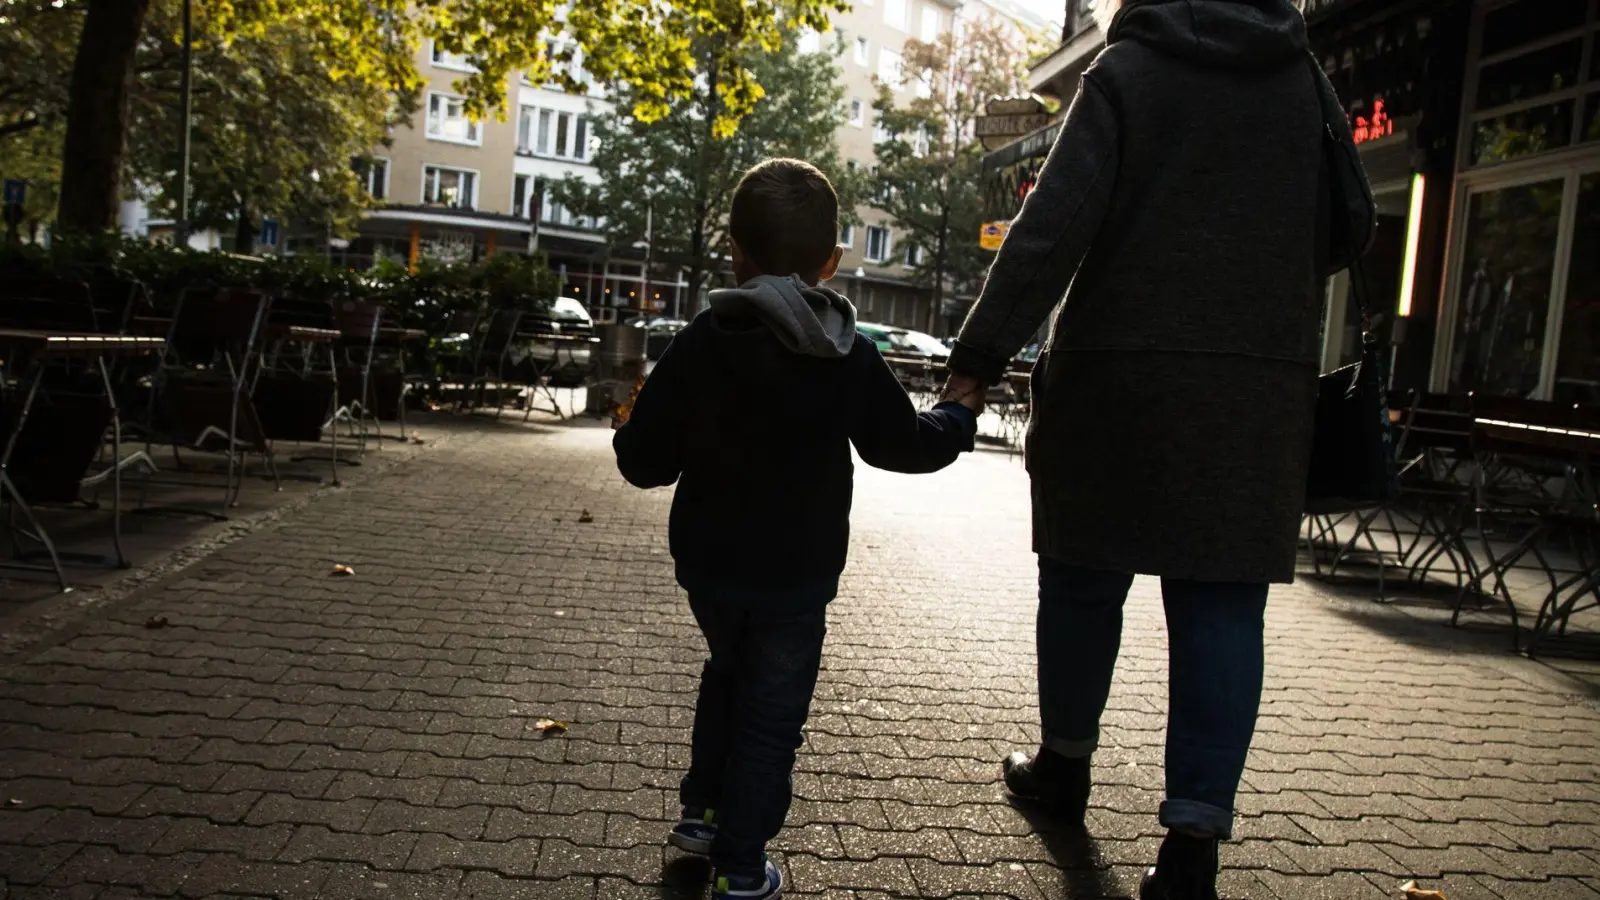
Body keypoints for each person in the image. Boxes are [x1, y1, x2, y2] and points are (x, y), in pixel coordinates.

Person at [939, 1, 1374, 898]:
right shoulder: (1301, 78)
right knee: (1221, 609)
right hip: (1255, 386)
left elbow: (1054, 225)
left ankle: (1064, 766)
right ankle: (1190, 849)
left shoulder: (1129, 71)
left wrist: (977, 360)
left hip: (1116, 377)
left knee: (1082, 576)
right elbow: (1354, 221)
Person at [613, 158, 982, 900]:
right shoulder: (845, 352)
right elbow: (901, 445)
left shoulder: (701, 340)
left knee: (727, 675)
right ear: (832, 262)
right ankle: (743, 870)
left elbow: (642, 461)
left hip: (711, 568)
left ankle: (703, 817)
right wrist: (958, 415)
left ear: (734, 252)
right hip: (797, 574)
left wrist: (648, 425)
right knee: (772, 716)